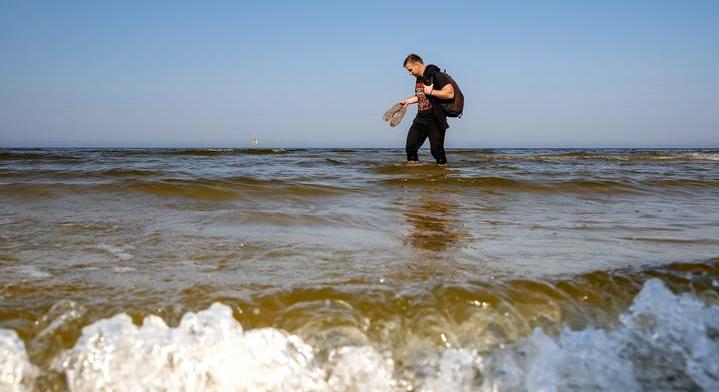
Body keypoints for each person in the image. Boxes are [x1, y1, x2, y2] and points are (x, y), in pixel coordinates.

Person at [400, 54, 454, 165]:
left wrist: (431, 92)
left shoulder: (436, 75)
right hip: (420, 118)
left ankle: (442, 176)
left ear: (418, 65)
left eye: (410, 70)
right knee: (410, 147)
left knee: (436, 151)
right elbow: (422, 96)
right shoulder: (419, 79)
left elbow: (450, 93)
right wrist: (408, 101)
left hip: (435, 118)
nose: (410, 73)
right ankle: (414, 177)